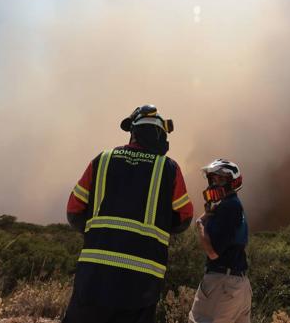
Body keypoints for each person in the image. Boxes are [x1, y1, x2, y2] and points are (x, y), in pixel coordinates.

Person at [63, 105, 193, 323]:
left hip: (94, 277)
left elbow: (74, 210)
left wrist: (98, 235)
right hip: (141, 285)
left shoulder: (102, 159)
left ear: (133, 132)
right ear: (161, 135)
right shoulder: (168, 168)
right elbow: (184, 217)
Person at [189, 159, 251, 323]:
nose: (215, 184)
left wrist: (200, 226)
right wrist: (206, 216)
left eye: (221, 179)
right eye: (212, 179)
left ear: (233, 181)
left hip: (221, 284)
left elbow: (213, 252)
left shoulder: (228, 208)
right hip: (239, 286)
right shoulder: (234, 205)